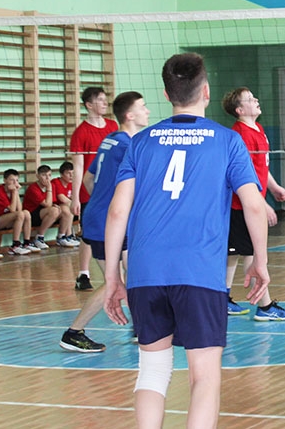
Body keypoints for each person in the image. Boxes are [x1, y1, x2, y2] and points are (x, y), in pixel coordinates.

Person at [103, 53, 272, 428]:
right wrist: (260, 261)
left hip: (146, 273)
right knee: (204, 376)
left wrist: (113, 276)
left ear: (167, 94)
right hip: (200, 273)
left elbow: (117, 211)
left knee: (152, 371)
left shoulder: (140, 142)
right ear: (206, 91)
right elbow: (253, 206)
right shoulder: (227, 141)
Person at [59, 91, 149, 353]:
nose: (147, 111)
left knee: (135, 274)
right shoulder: (129, 145)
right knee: (115, 280)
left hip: (101, 217)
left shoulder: (111, 139)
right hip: (107, 222)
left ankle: (141, 327)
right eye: (143, 107)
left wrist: (101, 200)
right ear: (129, 115)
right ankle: (73, 333)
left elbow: (89, 179)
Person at [221, 88, 285, 322]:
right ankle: (265, 306)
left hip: (250, 203)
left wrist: (273, 187)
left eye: (255, 97)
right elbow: (243, 176)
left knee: (234, 254)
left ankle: (222, 299)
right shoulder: (240, 135)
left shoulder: (258, 129)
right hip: (240, 206)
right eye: (250, 99)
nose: (256, 100)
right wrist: (262, 204)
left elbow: (260, 166)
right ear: (240, 110)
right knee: (251, 255)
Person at [70, 86, 119, 291]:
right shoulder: (81, 133)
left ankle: (116, 273)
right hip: (89, 190)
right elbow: (78, 168)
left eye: (105, 99)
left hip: (111, 189)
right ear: (89, 105)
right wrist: (74, 198)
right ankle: (83, 274)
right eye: (100, 99)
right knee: (88, 235)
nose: (105, 102)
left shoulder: (112, 126)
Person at [0, 169, 35, 256]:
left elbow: (19, 209)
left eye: (17, 180)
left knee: (26, 213)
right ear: (5, 180)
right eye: (12, 180)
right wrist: (15, 192)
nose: (15, 183)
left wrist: (16, 193)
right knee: (20, 214)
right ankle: (15, 245)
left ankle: (26, 242)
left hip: (6, 219)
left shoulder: (13, 192)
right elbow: (13, 210)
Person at [23, 166, 68, 250]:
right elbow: (47, 204)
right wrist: (49, 189)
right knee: (54, 211)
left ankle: (61, 236)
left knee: (65, 209)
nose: (47, 178)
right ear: (37, 176)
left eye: (49, 175)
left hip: (44, 212)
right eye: (44, 175)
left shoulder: (52, 186)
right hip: (31, 215)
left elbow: (51, 202)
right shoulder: (33, 188)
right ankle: (39, 237)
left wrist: (55, 205)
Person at [51, 161, 77, 240]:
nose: (71, 176)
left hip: (62, 209)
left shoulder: (71, 183)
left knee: (70, 208)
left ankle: (69, 235)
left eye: (73, 173)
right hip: (52, 209)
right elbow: (62, 198)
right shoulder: (56, 182)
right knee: (69, 208)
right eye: (68, 173)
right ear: (61, 174)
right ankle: (65, 235)